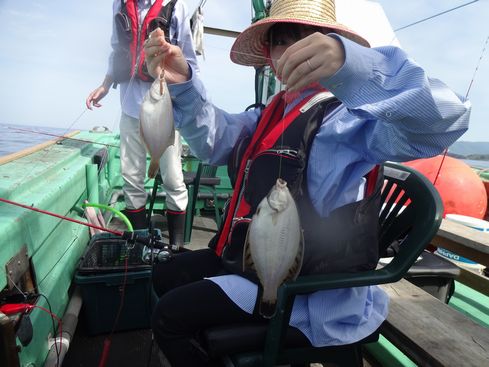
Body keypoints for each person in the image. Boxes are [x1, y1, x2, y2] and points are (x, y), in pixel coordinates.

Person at [143, 0, 471, 365]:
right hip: (259, 263)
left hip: (309, 295)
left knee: (169, 317)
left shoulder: (349, 123)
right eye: (281, 39)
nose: (294, 48)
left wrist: (356, 66)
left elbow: (445, 119)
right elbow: (215, 139)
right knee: (163, 273)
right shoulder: (270, 113)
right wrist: (183, 82)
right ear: (269, 54)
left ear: (331, 42)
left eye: (310, 37)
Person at [86, 0, 198, 247]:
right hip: (129, 108)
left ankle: (176, 246)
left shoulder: (175, 6)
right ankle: (140, 245)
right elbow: (117, 49)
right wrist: (105, 84)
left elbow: (189, 61)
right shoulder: (120, 4)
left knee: (173, 180)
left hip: (164, 108)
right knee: (131, 179)